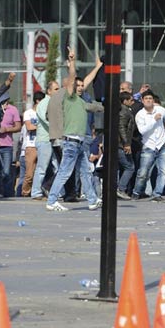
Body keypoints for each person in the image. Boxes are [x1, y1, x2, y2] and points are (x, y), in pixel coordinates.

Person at [45, 48, 101, 212]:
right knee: (64, 172)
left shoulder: (81, 101)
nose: (81, 87)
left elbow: (93, 106)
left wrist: (109, 107)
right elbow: (71, 79)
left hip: (79, 143)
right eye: (78, 85)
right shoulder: (68, 97)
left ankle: (92, 200)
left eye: (82, 86)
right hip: (71, 142)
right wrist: (72, 62)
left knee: (85, 172)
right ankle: (52, 200)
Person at [131, 90, 165, 203]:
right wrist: (154, 120)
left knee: (163, 171)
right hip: (149, 146)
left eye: (150, 99)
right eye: (146, 99)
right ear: (142, 100)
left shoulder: (160, 110)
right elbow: (142, 130)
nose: (149, 101)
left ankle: (157, 194)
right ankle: (136, 192)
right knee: (143, 172)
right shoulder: (140, 114)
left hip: (162, 145)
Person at [117, 92, 135, 199]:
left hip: (120, 144)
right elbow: (122, 128)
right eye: (130, 100)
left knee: (123, 167)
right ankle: (121, 189)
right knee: (130, 167)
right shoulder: (124, 112)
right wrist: (126, 143)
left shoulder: (124, 110)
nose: (132, 102)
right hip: (121, 145)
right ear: (125, 101)